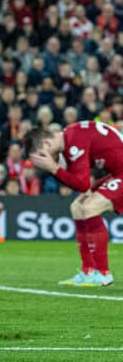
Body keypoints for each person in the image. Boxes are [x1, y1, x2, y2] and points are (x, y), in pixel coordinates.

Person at [24, 121, 120, 287]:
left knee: (90, 207)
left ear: (46, 143)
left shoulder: (75, 138)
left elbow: (82, 184)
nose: (44, 160)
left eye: (42, 155)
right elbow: (75, 183)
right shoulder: (70, 139)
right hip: (118, 173)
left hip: (120, 173)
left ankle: (104, 274)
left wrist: (53, 167)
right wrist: (53, 168)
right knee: (77, 207)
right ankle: (88, 271)